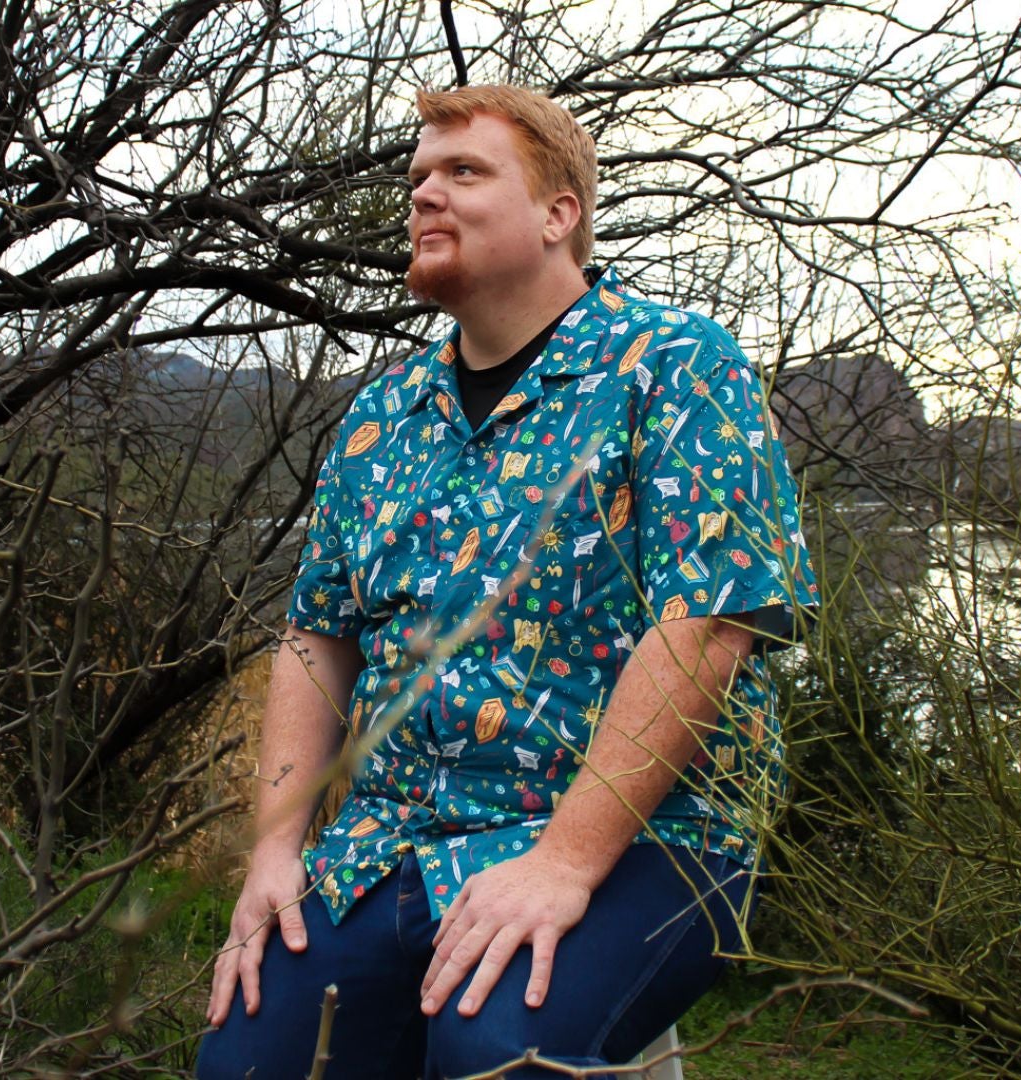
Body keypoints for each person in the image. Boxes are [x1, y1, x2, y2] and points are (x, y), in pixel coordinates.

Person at [197, 84, 814, 1079]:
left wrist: (565, 863)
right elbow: (316, 641)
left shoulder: (675, 368)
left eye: (465, 172)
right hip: (391, 842)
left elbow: (707, 627)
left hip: (650, 836)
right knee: (251, 1060)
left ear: (559, 213)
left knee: (497, 1051)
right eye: (417, 179)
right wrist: (276, 853)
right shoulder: (380, 419)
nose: (425, 195)